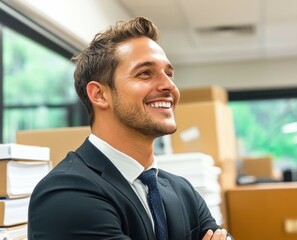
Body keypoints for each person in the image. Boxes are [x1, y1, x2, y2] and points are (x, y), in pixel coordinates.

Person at [28, 16, 233, 240]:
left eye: (169, 74)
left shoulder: (182, 190)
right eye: (145, 73)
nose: (169, 86)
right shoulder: (65, 193)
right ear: (100, 94)